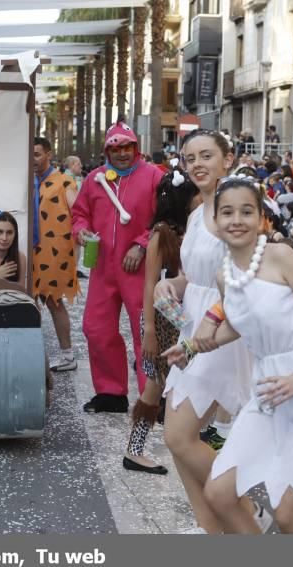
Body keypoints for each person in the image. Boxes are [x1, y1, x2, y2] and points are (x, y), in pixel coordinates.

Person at [165, 175, 293, 534]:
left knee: (287, 516)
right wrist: (192, 346)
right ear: (215, 221)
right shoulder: (225, 276)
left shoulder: (280, 256)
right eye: (228, 213)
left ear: (262, 219)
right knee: (220, 493)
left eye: (246, 212)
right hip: (268, 390)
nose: (237, 220)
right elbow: (239, 324)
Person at [153, 131, 260, 535]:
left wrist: (208, 331)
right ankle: (210, 529)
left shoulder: (237, 211)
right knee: (178, 439)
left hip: (219, 332)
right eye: (188, 157)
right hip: (190, 328)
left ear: (227, 160)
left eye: (206, 156)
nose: (196, 164)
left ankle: (246, 508)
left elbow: (242, 278)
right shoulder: (197, 211)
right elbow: (192, 275)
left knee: (179, 437)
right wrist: (170, 286)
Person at [72, 121, 164, 413]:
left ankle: (153, 397)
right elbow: (79, 214)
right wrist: (82, 232)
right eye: (115, 148)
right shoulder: (94, 179)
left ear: (136, 148)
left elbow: (164, 219)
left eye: (127, 147)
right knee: (96, 328)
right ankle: (111, 392)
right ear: (107, 152)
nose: (122, 153)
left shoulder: (153, 177)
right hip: (102, 267)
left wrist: (142, 244)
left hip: (140, 269)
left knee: (146, 333)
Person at [123, 166, 201, 475]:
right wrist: (150, 331)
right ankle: (135, 450)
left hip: (184, 316)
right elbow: (149, 286)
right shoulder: (160, 235)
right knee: (154, 387)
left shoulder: (193, 229)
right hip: (163, 318)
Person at [32, 137, 80, 372]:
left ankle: (68, 354)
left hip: (53, 250)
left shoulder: (64, 181)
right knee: (27, 303)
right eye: (30, 155)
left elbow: (77, 211)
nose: (33, 159)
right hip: (28, 251)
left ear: (49, 154)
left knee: (53, 301)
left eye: (37, 154)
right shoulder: (26, 180)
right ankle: (28, 352)